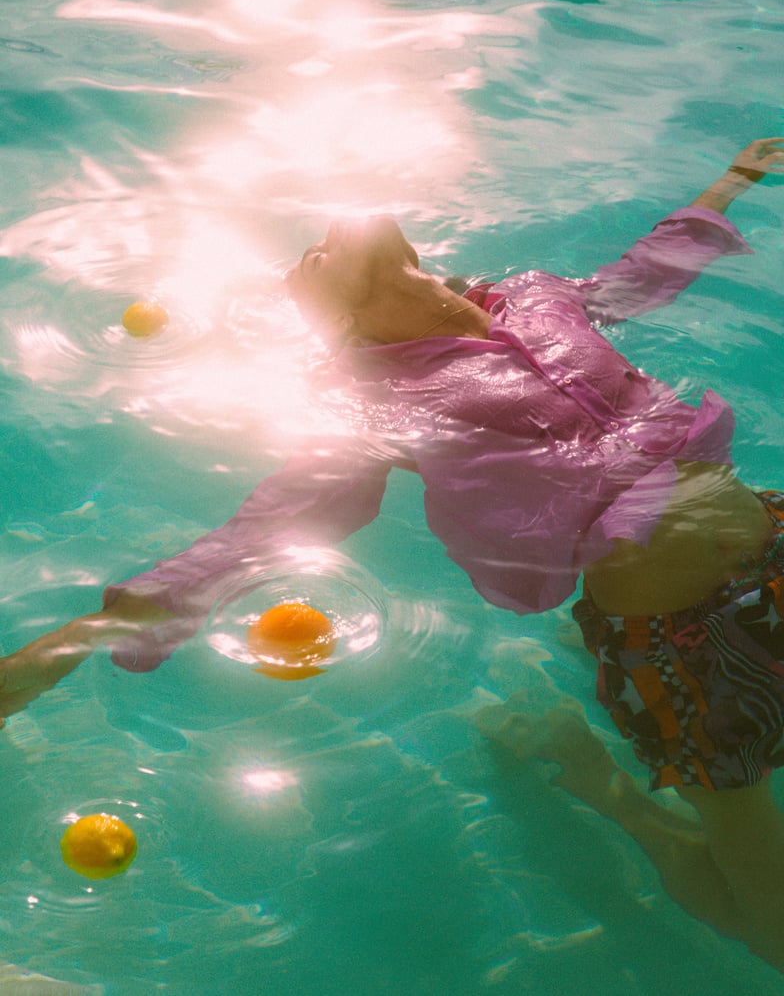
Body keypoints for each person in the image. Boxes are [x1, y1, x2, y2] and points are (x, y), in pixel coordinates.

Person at [1, 137, 783, 967]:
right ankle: (610, 793)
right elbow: (269, 522)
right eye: (308, 259)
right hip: (682, 648)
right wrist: (68, 643)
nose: (313, 241)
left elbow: (638, 277)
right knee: (764, 905)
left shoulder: (535, 296)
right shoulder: (374, 399)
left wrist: (730, 183)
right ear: (337, 319)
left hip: (771, 551)